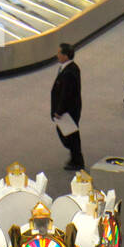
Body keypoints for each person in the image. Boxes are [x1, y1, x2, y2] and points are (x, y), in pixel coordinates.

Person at [50, 42, 84, 172]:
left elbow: (66, 94)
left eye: (59, 53)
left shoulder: (69, 72)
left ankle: (77, 160)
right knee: (70, 134)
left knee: (71, 135)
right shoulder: (70, 68)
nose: (57, 55)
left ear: (65, 56)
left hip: (68, 111)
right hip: (71, 109)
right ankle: (75, 158)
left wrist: (59, 111)